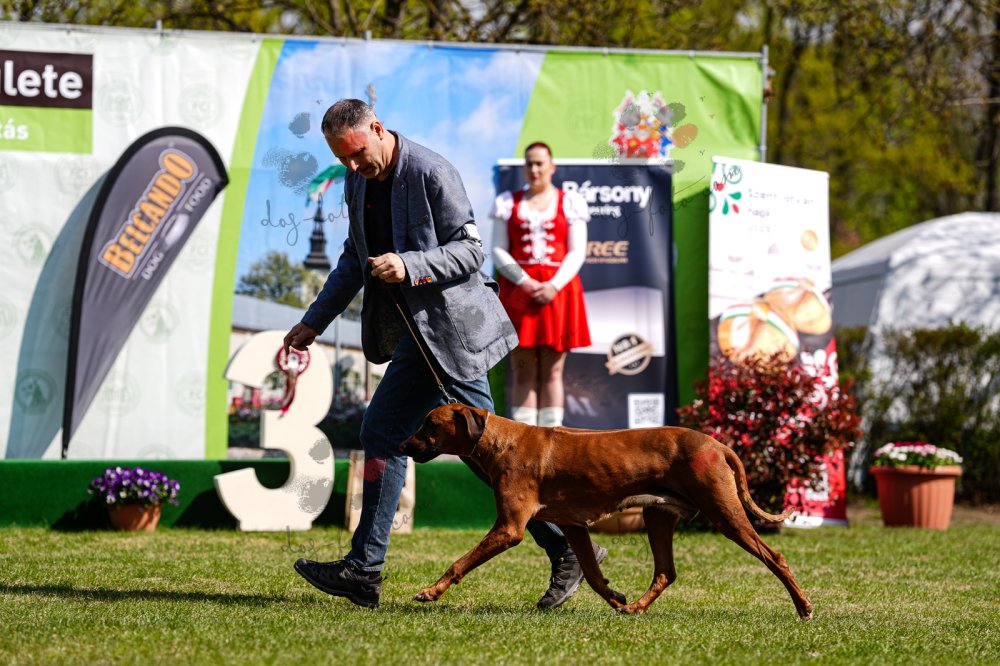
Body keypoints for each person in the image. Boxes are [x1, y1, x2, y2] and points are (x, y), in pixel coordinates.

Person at [285, 100, 605, 610]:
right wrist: (313, 321)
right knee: (404, 438)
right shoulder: (356, 180)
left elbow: (471, 251)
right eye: (342, 158)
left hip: (455, 333)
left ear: (378, 128)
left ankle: (567, 548)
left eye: (358, 153)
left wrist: (409, 265)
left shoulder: (433, 172)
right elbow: (353, 257)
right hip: (417, 339)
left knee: (486, 453)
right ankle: (365, 570)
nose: (352, 165)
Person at [490, 142, 591, 428]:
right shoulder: (507, 202)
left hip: (558, 292)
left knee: (553, 371)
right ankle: (525, 440)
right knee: (521, 370)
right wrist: (524, 281)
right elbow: (497, 249)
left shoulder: (570, 202)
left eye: (540, 163)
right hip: (518, 291)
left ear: (551, 167)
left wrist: (553, 285)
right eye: (529, 164)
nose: (534, 169)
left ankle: (552, 438)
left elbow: (577, 251)